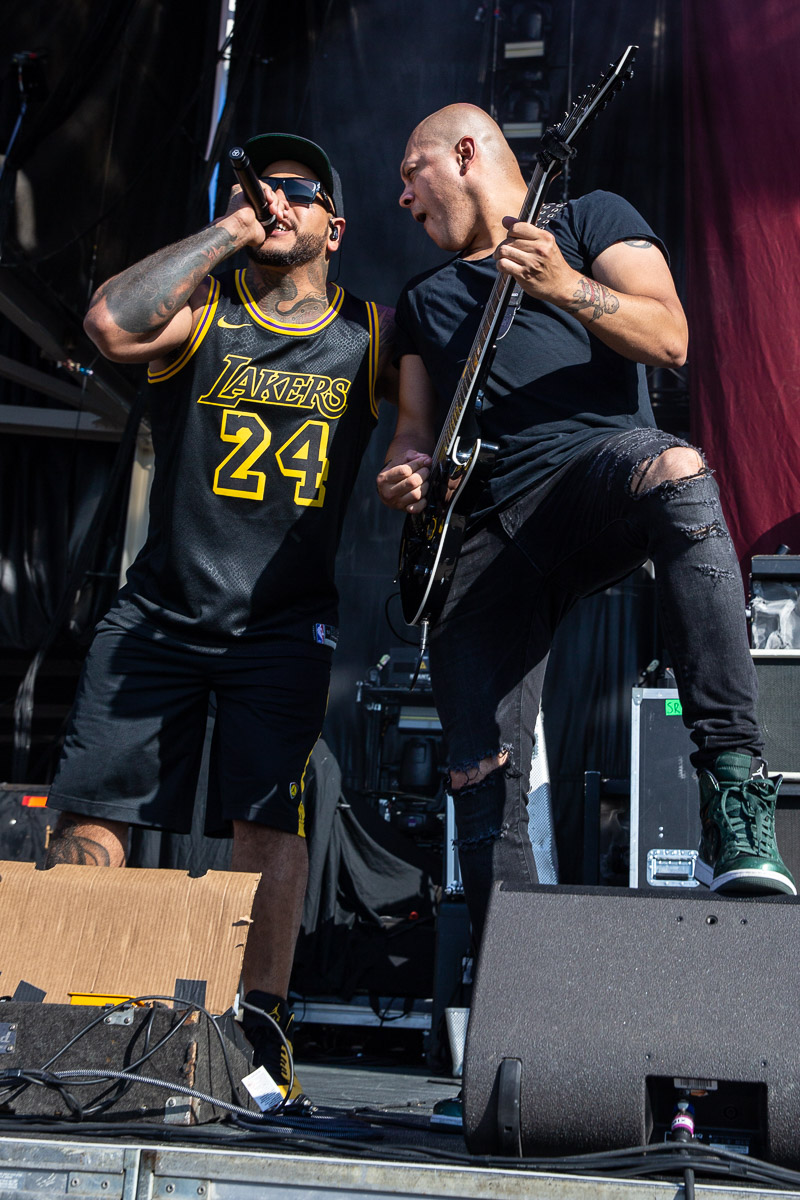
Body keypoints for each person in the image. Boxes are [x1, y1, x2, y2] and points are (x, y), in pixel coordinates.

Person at [377, 103, 795, 950]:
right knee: (477, 781)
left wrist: (566, 286)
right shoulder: (421, 300)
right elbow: (414, 428)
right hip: (482, 537)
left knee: (678, 468)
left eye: (410, 174)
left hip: (591, 477)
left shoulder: (590, 219)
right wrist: (411, 469)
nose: (403, 199)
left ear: (465, 154)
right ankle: (510, 1041)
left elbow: (671, 337)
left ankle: (734, 796)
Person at [44, 132, 396, 1105]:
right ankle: (58, 1010)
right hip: (161, 609)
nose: (274, 200)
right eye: (258, 188)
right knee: (93, 810)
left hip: (280, 625)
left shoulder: (370, 330)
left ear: (336, 221)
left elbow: (425, 417)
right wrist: (228, 228)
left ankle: (259, 1029)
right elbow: (108, 324)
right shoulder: (202, 313)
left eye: (296, 190)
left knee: (268, 829)